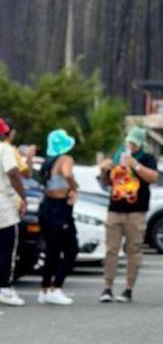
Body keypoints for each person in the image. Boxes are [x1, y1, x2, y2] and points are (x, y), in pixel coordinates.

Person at [98, 126, 158, 303]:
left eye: (134, 142)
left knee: (133, 250)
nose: (130, 145)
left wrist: (135, 164)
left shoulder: (147, 158)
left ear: (140, 143)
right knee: (111, 250)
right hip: (115, 209)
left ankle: (128, 289)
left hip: (136, 212)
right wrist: (104, 170)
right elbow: (107, 183)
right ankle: (107, 287)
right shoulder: (118, 156)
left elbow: (153, 177)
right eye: (128, 142)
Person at [38, 128, 79, 305]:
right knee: (71, 249)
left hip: (46, 206)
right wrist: (74, 187)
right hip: (60, 209)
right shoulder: (65, 159)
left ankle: (45, 288)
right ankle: (56, 287)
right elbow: (68, 173)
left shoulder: (48, 161)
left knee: (52, 251)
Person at [0, 117, 26, 307]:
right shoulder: (4, 149)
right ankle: (5, 289)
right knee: (7, 248)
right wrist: (22, 196)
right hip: (3, 206)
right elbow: (12, 173)